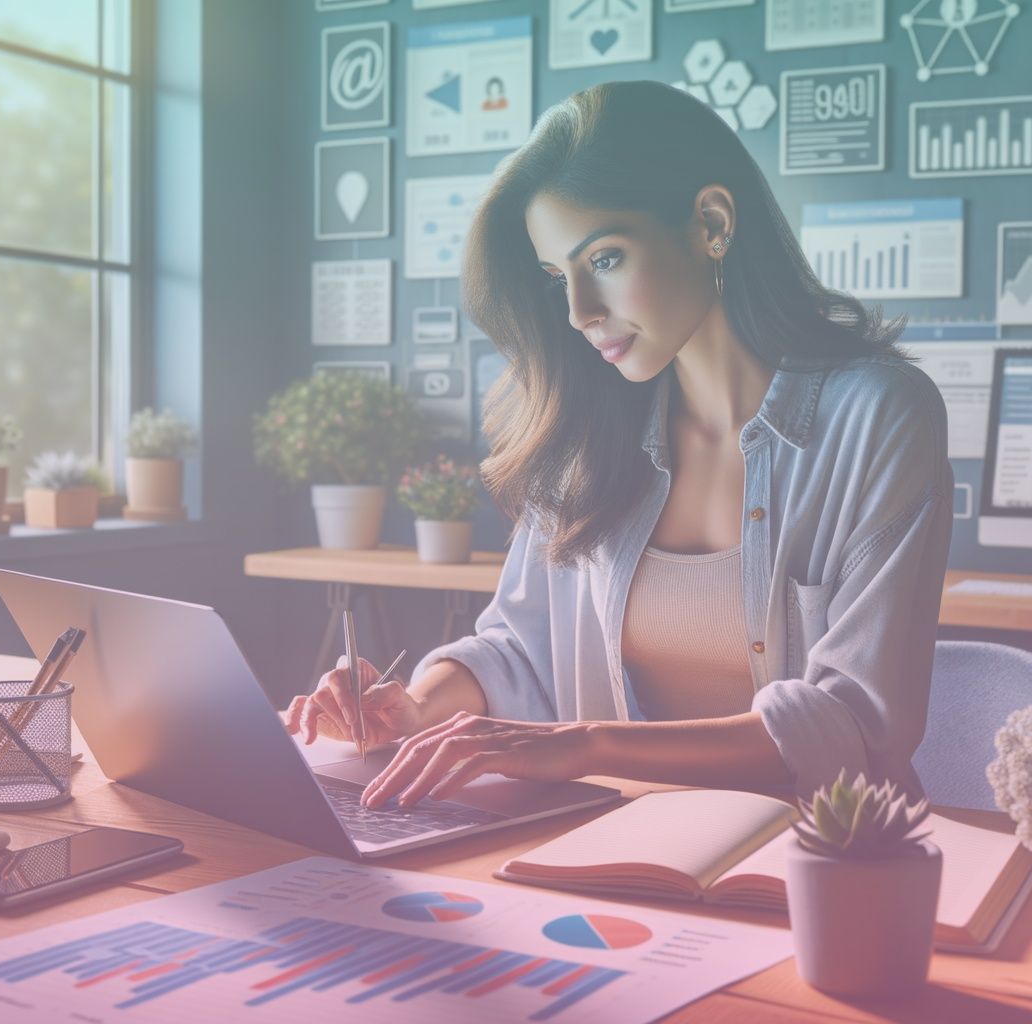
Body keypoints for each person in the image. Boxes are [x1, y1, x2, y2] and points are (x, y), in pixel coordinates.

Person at [287, 81, 952, 811]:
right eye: (557, 278)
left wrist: (590, 745)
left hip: (819, 860)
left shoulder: (881, 415)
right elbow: (518, 648)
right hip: (609, 853)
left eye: (603, 259)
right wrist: (415, 708)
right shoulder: (583, 429)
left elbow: (855, 721)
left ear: (712, 223)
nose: (578, 312)